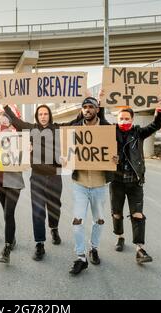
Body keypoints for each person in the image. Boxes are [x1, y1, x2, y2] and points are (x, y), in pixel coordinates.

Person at [2, 104, 82, 261]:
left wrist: (91, 102)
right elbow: (15, 120)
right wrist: (5, 104)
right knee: (37, 211)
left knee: (54, 206)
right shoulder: (31, 129)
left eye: (46, 113)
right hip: (37, 177)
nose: (43, 116)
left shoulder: (58, 128)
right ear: (37, 116)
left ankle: (54, 228)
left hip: (54, 176)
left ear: (49, 115)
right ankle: (39, 244)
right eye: (40, 114)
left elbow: (76, 121)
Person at [108, 100, 161, 264]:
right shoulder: (110, 132)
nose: (124, 121)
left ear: (132, 120)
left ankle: (139, 249)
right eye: (121, 119)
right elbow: (99, 125)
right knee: (116, 213)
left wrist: (159, 110)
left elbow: (155, 125)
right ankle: (120, 237)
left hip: (135, 182)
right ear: (117, 120)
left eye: (127, 119)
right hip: (117, 181)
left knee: (137, 214)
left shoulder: (138, 132)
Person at [68, 97, 117, 275]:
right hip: (80, 183)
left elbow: (114, 151)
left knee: (99, 220)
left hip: (99, 184)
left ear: (97, 109)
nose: (87, 110)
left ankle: (93, 248)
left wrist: (114, 159)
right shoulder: (74, 129)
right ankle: (81, 257)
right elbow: (66, 150)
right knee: (77, 220)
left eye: (91, 107)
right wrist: (65, 159)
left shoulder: (107, 130)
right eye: (84, 107)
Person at [0, 112, 25, 264]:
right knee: (6, 213)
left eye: (5, 121)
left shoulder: (18, 137)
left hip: (13, 180)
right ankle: (12, 238)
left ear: (10, 123)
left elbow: (24, 158)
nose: (2, 123)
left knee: (9, 213)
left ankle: (7, 247)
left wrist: (26, 149)